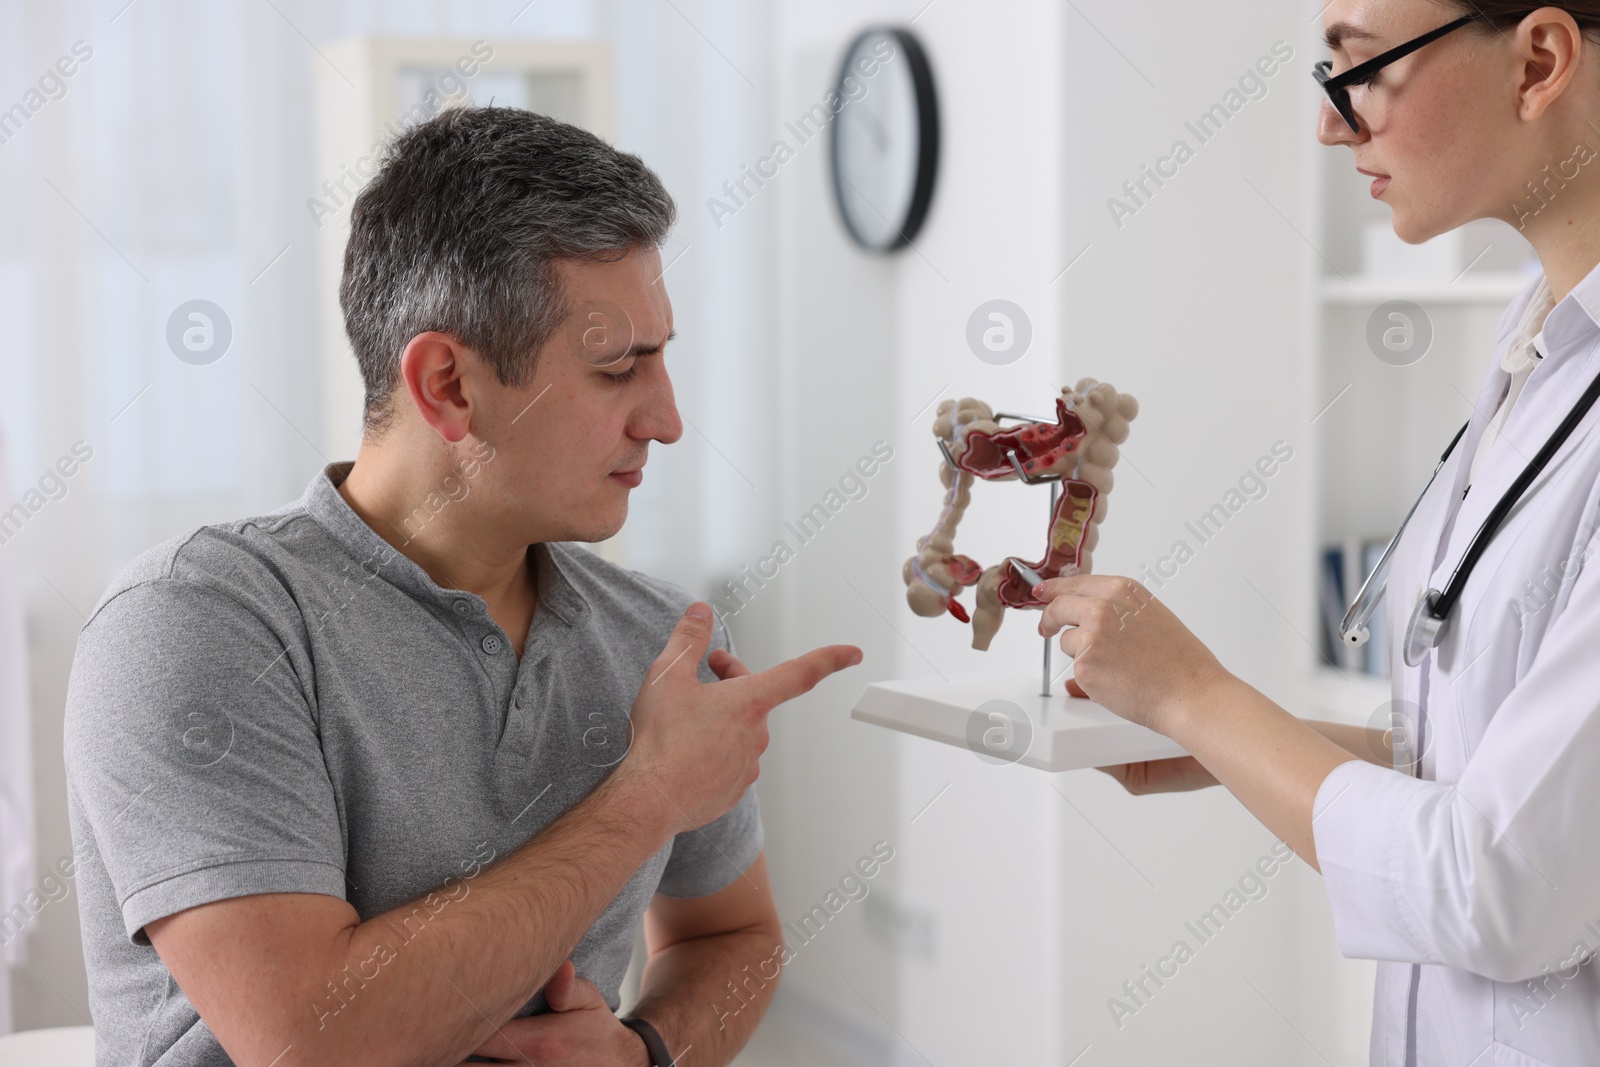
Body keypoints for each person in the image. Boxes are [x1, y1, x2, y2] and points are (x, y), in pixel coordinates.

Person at [62, 106, 860, 1067]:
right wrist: (646, 797)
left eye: (664, 356)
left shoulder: (659, 636)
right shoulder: (196, 622)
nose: (668, 418)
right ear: (446, 384)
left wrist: (644, 1051)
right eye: (618, 368)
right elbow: (309, 1042)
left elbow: (730, 936)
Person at [1035, 3, 1600, 1063]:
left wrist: (1197, 695)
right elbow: (1532, 791)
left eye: (1358, 69)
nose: (1329, 126)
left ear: (1536, 61)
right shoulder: (1540, 339)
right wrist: (1230, 740)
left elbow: (1505, 892)